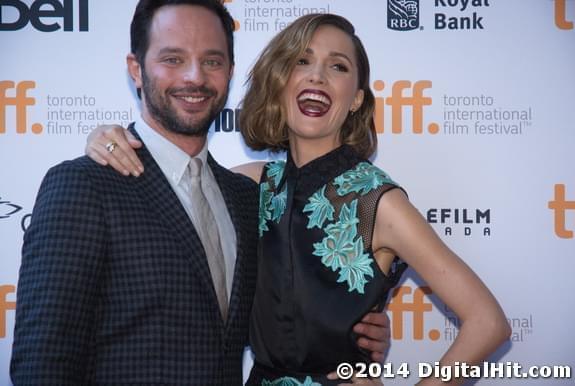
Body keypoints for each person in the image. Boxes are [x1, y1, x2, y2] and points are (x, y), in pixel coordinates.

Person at [84, 11, 511, 386]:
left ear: (357, 98)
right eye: (301, 62)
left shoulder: (378, 201)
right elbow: (169, 177)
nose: (317, 76)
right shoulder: (245, 185)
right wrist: (107, 138)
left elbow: (487, 322)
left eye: (338, 66)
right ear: (280, 82)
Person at [10, 2, 390, 385]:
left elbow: (283, 307)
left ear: (229, 72)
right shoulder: (83, 186)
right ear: (135, 70)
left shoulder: (246, 197)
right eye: (173, 59)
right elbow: (43, 364)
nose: (194, 77)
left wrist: (347, 327)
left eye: (212, 61)